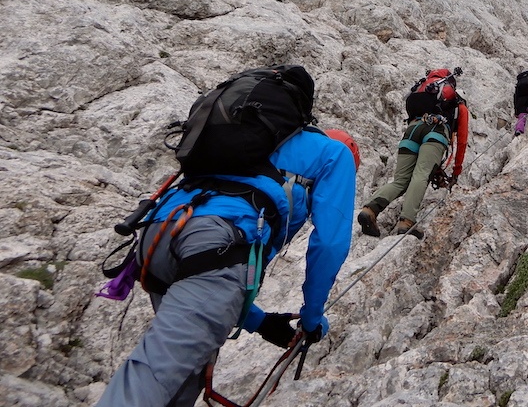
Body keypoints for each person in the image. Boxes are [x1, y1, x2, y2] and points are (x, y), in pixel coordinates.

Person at [96, 118, 358, 407]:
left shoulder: (256, 142)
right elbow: (330, 244)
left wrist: (261, 322)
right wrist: (311, 320)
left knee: (185, 371)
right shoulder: (336, 154)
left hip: (156, 235)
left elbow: (215, 283)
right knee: (155, 372)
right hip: (212, 241)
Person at [357, 67, 468, 240]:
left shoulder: (422, 90)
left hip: (412, 130)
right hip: (435, 132)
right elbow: (462, 140)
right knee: (421, 174)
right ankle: (407, 222)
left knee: (401, 180)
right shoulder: (458, 103)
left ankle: (369, 210)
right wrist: (456, 171)